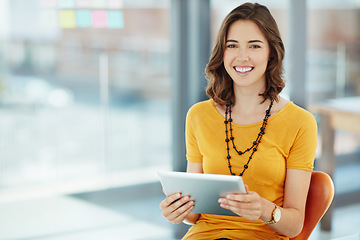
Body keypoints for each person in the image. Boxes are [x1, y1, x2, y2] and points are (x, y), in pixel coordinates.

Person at [160, 2, 317, 240]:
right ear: (222, 52)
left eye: (254, 46)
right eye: (232, 45)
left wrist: (264, 210)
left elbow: (294, 226)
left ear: (271, 53)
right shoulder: (198, 115)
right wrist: (178, 210)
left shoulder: (300, 122)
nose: (242, 57)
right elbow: (194, 214)